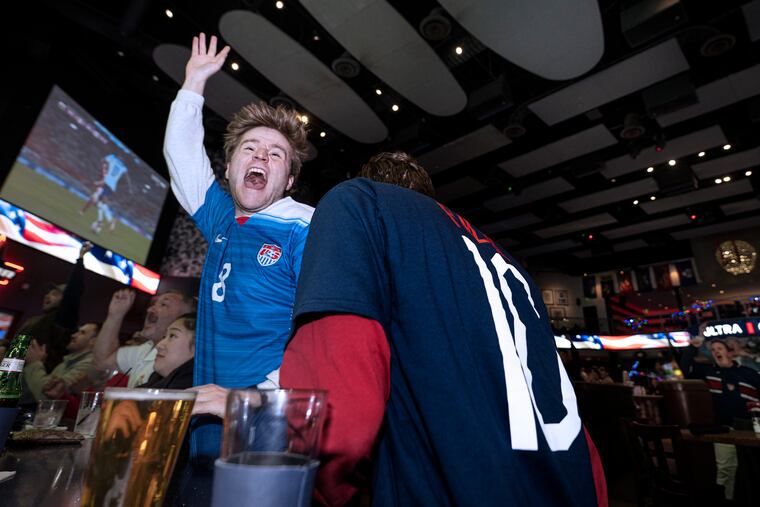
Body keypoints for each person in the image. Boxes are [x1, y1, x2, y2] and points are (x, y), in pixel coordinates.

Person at [280, 152, 607, 506]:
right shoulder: (511, 266)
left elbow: (334, 423)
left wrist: (309, 490)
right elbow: (572, 424)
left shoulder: (360, 201)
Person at [163, 32, 313, 461]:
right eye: (251, 149)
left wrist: (253, 397)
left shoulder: (305, 228)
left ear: (288, 181)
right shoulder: (223, 218)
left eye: (276, 155)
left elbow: (326, 331)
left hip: (268, 433)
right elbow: (182, 156)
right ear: (229, 168)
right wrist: (193, 82)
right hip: (207, 434)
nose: (261, 158)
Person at [680, 336, 760, 500]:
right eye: (713, 350)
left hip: (752, 428)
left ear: (730, 353)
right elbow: (685, 367)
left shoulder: (748, 372)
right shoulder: (708, 372)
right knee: (725, 468)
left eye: (720, 348)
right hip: (724, 428)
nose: (716, 351)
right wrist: (693, 347)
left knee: (755, 466)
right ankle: (727, 499)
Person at [17, 242, 92, 381]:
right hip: (8, 381)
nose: (47, 296)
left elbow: (73, 292)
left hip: (32, 388)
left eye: (55, 294)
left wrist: (80, 259)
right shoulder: (35, 320)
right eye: (48, 293)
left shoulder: (62, 319)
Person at [92, 288, 195, 388]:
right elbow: (103, 361)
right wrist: (115, 315)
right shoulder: (146, 349)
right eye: (153, 304)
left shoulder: (185, 371)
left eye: (164, 304)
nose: (150, 309)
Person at [22, 322, 102, 401]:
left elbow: (49, 396)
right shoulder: (69, 361)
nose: (73, 335)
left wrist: (34, 363)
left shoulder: (90, 365)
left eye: (82, 333)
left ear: (93, 341)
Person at [139, 314, 196, 390]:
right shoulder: (156, 380)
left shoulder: (193, 393)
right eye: (164, 337)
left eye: (172, 336)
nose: (158, 345)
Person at [80, 153, 133, 233]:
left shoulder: (113, 158)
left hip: (105, 183)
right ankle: (102, 221)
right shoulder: (123, 167)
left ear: (119, 156)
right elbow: (127, 178)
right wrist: (130, 187)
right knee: (100, 202)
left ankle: (106, 221)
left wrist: (103, 166)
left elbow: (103, 160)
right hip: (111, 187)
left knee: (96, 198)